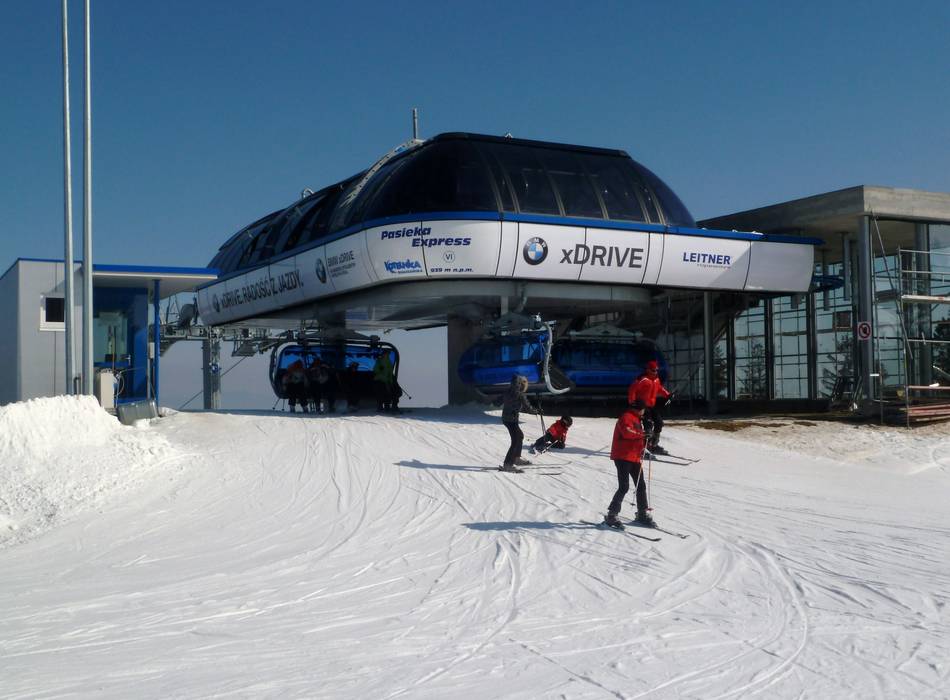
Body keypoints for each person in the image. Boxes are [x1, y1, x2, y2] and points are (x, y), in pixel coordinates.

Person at [605, 384, 655, 530]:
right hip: (622, 456)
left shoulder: (637, 419)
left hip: (634, 457)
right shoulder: (626, 417)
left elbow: (638, 438)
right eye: (643, 409)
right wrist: (643, 434)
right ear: (639, 408)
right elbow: (628, 433)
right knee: (624, 486)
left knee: (641, 485)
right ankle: (612, 514)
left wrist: (648, 437)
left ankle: (642, 513)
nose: (644, 412)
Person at [627, 359, 672, 455]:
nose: (655, 372)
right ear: (648, 370)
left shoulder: (656, 379)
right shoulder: (642, 379)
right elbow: (632, 390)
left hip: (651, 406)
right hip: (642, 407)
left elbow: (660, 389)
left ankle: (653, 445)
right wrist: (632, 403)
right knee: (648, 426)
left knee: (659, 423)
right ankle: (645, 447)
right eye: (653, 370)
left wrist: (668, 395)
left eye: (656, 370)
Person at [500, 374, 539, 472]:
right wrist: (537, 411)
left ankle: (516, 458)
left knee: (519, 436)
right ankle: (508, 464)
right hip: (512, 420)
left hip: (506, 419)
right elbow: (528, 407)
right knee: (515, 441)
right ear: (521, 384)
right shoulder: (520, 394)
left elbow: (499, 401)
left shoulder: (508, 391)